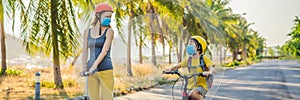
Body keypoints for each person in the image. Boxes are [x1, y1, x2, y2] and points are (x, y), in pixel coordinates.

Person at [81, 3, 114, 100]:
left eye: (110, 17)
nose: (109, 19)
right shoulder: (87, 32)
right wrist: (84, 68)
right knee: (93, 98)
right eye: (106, 16)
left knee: (107, 98)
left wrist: (93, 67)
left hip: (106, 70)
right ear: (98, 15)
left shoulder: (109, 32)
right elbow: (85, 51)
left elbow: (104, 51)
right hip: (91, 72)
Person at [165, 36, 214, 100]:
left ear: (198, 46)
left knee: (194, 94)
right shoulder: (189, 60)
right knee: (186, 97)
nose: (189, 46)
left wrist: (209, 72)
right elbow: (179, 65)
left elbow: (211, 67)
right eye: (189, 44)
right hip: (189, 86)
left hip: (201, 85)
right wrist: (171, 68)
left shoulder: (203, 58)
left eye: (191, 43)